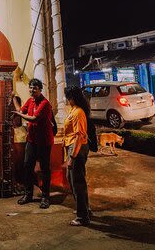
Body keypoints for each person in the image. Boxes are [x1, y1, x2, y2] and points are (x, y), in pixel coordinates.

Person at [11, 77, 54, 209]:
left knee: (45, 169)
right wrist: (14, 98)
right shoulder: (30, 101)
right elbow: (21, 111)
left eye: (34, 88)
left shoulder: (45, 103)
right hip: (31, 140)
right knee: (27, 166)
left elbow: (34, 118)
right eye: (30, 88)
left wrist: (19, 115)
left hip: (44, 142)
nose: (31, 90)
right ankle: (28, 194)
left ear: (40, 89)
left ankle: (45, 197)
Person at [63, 86, 92, 226]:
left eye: (67, 97)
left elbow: (79, 136)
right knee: (75, 180)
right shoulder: (74, 110)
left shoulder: (78, 112)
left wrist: (72, 157)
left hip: (77, 149)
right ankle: (85, 210)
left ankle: (82, 217)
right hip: (73, 147)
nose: (67, 100)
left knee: (77, 183)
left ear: (72, 98)